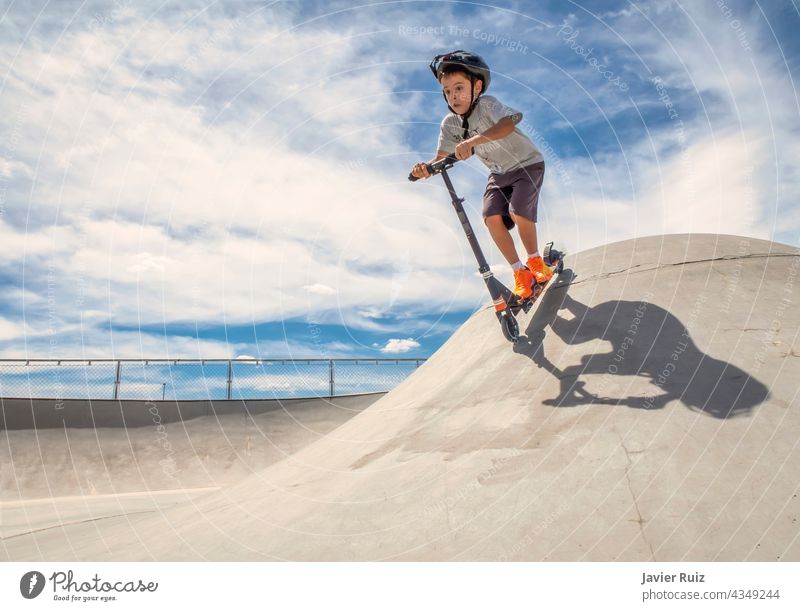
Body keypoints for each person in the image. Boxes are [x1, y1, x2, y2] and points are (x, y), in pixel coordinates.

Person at [410, 50, 551, 299]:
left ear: (477, 86)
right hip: (498, 174)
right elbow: (441, 157)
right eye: (447, 91)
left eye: (459, 88)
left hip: (527, 164)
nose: (453, 96)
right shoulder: (450, 123)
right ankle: (521, 272)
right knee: (491, 217)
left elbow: (509, 122)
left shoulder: (488, 104)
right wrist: (425, 169)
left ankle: (536, 262)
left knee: (517, 211)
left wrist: (473, 140)